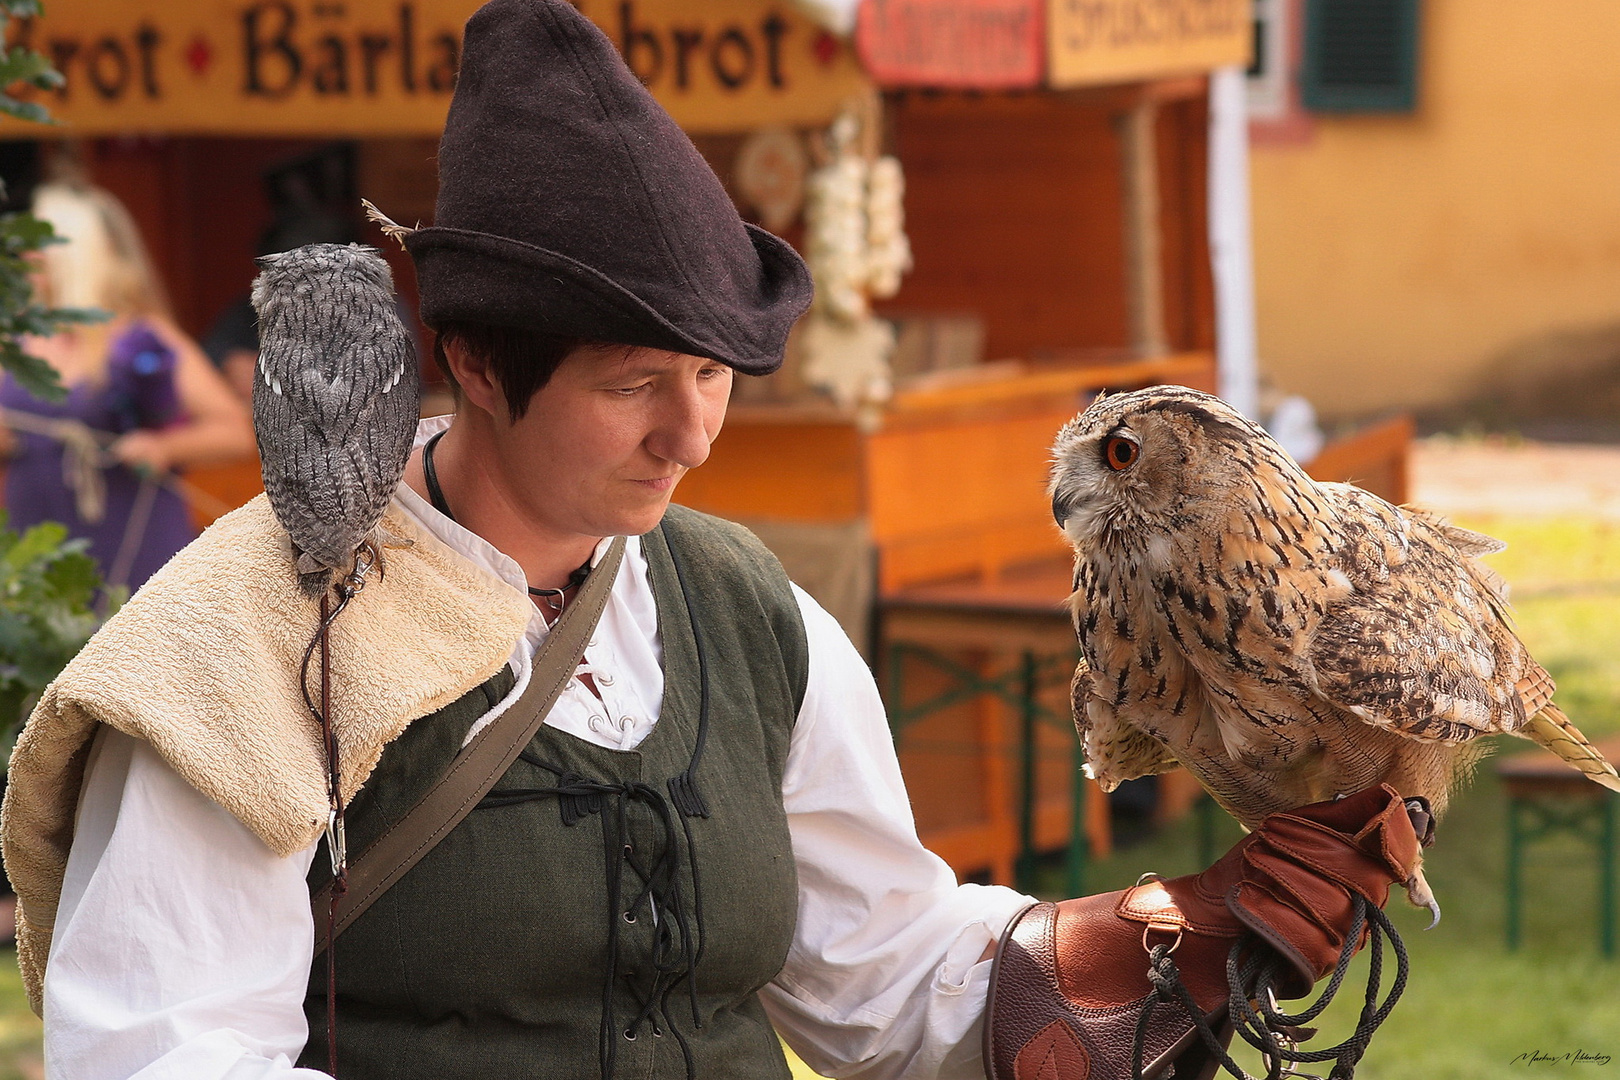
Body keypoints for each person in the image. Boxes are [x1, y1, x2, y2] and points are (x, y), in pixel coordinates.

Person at [0, 4, 1417, 1080]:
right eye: (632, 386)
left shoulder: (749, 612)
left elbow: (878, 970)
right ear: (479, 368)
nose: (692, 435)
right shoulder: (243, 648)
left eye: (718, 378)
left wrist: (1164, 936)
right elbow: (165, 1055)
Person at [0, 182, 254, 590]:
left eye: (38, 243)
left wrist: (164, 447)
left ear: (75, 254)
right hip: (35, 551)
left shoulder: (141, 337)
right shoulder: (15, 340)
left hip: (132, 548)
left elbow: (234, 432)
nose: (26, 255)